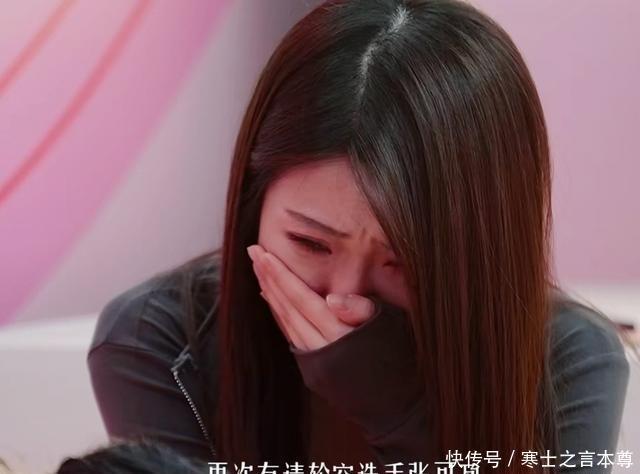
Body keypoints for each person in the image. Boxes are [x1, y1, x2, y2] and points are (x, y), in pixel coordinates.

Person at [87, 0, 633, 472]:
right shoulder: (158, 340)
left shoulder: (569, 360)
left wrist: (398, 418)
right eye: (310, 243)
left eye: (405, 261)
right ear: (254, 200)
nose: (343, 295)